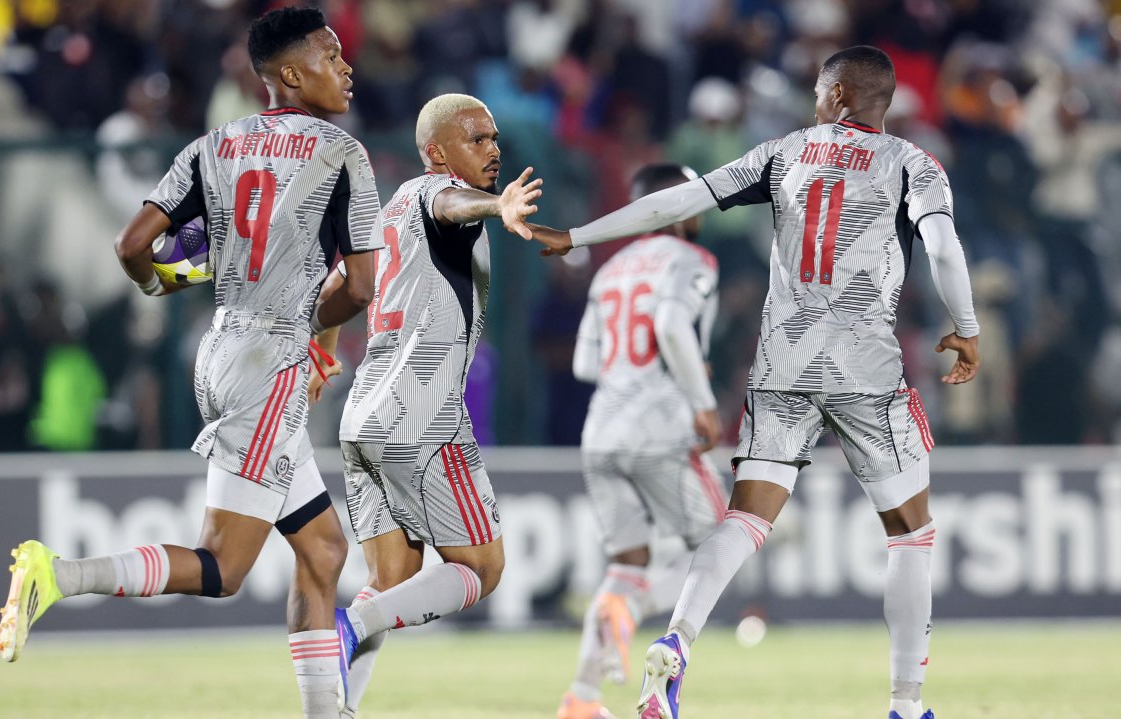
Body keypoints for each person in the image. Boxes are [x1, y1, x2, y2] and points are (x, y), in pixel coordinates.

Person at [530, 46, 981, 719]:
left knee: (743, 519)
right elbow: (941, 245)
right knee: (910, 534)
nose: (813, 102)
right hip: (865, 366)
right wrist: (966, 326)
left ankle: (676, 641)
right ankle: (906, 704)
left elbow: (680, 200)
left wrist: (579, 235)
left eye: (817, 91)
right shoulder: (914, 163)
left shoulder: (783, 152)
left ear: (836, 95)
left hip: (782, 366)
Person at [0, 9, 380, 718]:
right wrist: (308, 328)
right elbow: (358, 288)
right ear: (291, 75)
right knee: (223, 567)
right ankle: (61, 574)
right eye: (330, 56)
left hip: (221, 344)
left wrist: (161, 282)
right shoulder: (341, 152)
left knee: (324, 549)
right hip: (271, 361)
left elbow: (132, 246)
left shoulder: (213, 144)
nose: (346, 66)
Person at [331, 93, 542, 717]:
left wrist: (319, 347)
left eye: (494, 138)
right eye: (476, 139)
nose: (493, 149)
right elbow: (449, 204)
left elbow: (342, 285)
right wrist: (496, 205)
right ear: (436, 153)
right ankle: (349, 625)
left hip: (362, 415)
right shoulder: (439, 196)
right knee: (483, 568)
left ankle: (337, 707)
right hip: (422, 413)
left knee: (389, 579)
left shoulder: (389, 210)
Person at [558, 163, 729, 719]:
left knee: (626, 563)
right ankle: (632, 613)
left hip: (601, 431)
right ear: (674, 205)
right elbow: (672, 327)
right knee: (721, 544)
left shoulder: (610, 269)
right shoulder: (691, 259)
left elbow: (586, 364)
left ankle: (582, 699)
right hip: (660, 428)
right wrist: (702, 401)